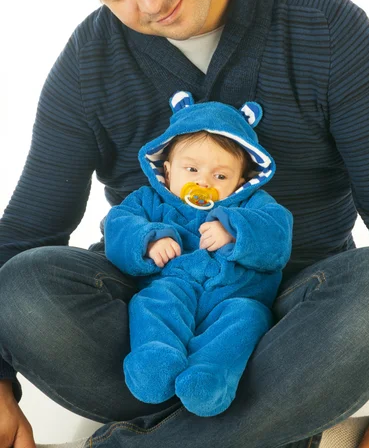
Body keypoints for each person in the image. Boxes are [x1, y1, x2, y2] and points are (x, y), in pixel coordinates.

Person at [0, 0, 369, 448]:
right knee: (22, 286)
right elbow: (29, 230)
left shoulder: (327, 26)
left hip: (295, 317)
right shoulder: (89, 62)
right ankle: (270, 426)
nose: (149, 0)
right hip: (154, 309)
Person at [104, 91, 292, 417]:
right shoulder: (149, 200)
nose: (204, 181)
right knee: (151, 303)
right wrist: (148, 241)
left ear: (242, 180)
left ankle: (210, 375)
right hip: (173, 286)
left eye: (220, 176)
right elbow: (117, 225)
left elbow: (278, 238)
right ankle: (156, 357)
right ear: (167, 168)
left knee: (248, 319)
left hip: (234, 295)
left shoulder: (253, 204)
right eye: (191, 169)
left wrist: (235, 229)